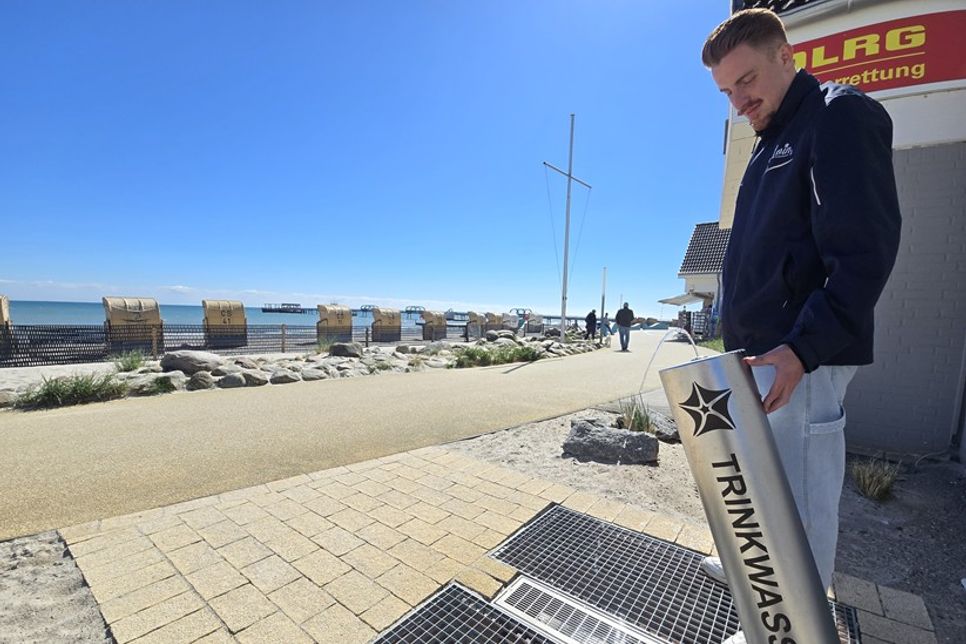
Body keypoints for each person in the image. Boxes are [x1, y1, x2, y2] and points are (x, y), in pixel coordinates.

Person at [700, 9, 901, 641]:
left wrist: (801, 349)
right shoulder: (768, 141)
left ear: (787, 55)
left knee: (804, 515)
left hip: (799, 361)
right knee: (764, 494)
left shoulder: (837, 117)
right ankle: (763, 598)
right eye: (727, 92)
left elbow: (865, 253)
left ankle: (799, 630)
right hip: (760, 360)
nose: (739, 102)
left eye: (747, 80)